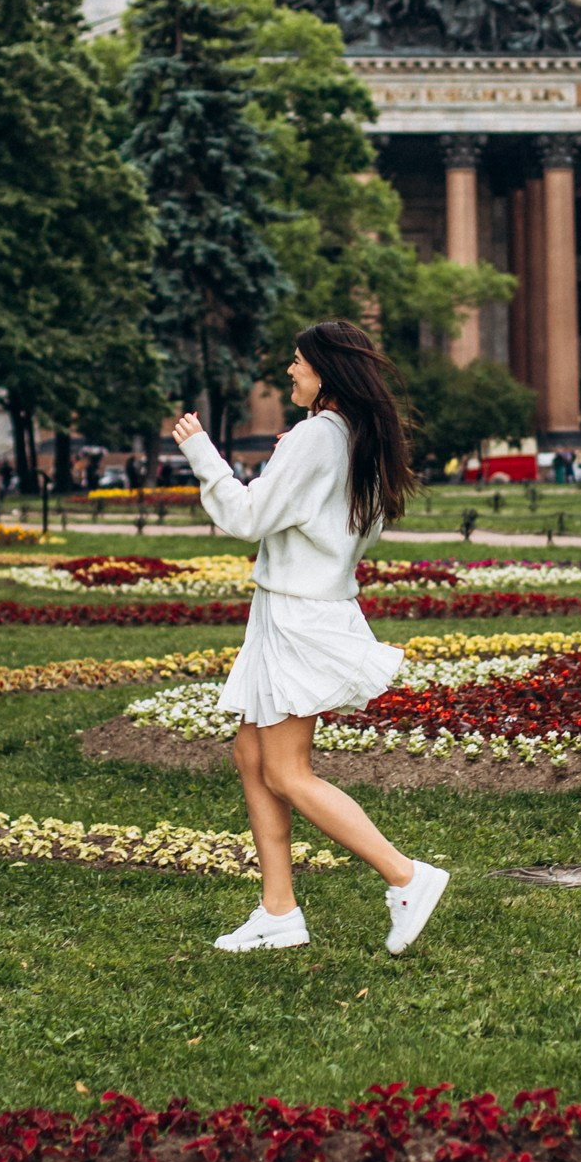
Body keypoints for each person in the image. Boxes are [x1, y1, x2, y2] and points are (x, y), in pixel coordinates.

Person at [172, 319, 447, 957]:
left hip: (298, 616)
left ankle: (406, 876)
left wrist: (201, 453)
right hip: (296, 611)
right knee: (251, 756)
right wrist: (289, 460)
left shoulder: (318, 437)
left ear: (326, 372)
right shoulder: (350, 436)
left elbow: (247, 516)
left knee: (286, 771)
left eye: (298, 361)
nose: (290, 371)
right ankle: (279, 911)